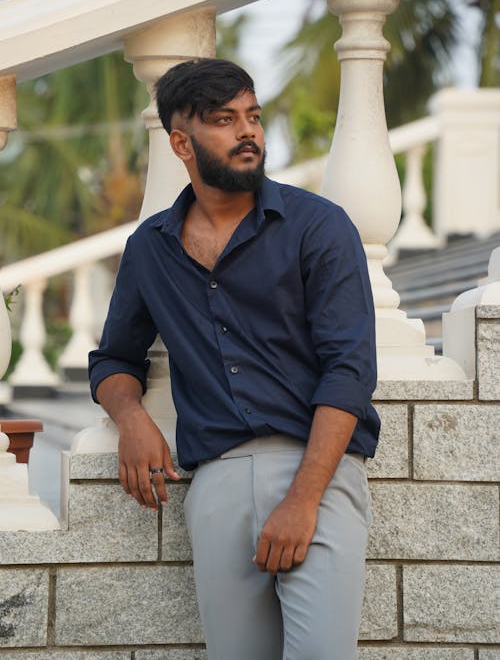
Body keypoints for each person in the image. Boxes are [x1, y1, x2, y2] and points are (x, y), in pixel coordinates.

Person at [89, 57, 380, 660]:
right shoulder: (151, 249)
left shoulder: (317, 227)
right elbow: (115, 357)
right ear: (181, 142)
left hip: (316, 470)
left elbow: (348, 370)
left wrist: (304, 501)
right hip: (216, 480)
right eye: (223, 120)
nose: (247, 132)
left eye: (253, 116)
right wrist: (132, 419)